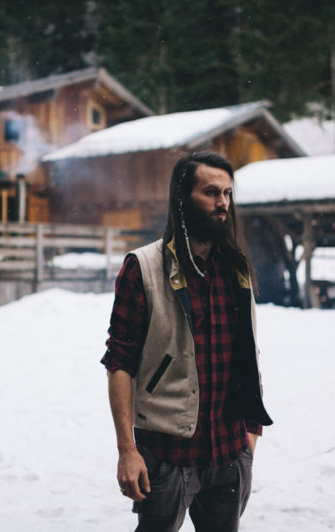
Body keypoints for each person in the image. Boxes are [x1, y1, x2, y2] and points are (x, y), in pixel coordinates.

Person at [101, 152, 272, 532]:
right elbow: (119, 363)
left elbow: (248, 354)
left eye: (228, 193)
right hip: (167, 455)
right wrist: (127, 450)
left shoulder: (236, 267)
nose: (223, 203)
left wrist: (251, 434)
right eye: (211, 192)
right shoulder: (142, 268)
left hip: (229, 454)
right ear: (182, 197)